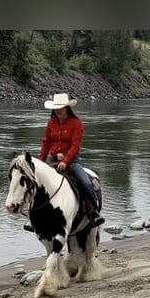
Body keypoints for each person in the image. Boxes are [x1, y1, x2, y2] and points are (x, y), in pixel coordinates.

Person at [34, 93, 105, 228]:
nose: (58, 110)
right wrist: (40, 163)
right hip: (52, 159)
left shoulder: (76, 123)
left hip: (71, 160)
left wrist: (65, 161)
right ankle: (36, 217)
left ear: (67, 108)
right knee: (36, 183)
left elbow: (75, 146)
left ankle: (94, 212)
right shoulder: (51, 123)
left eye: (61, 107)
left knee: (85, 182)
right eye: (56, 108)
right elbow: (46, 143)